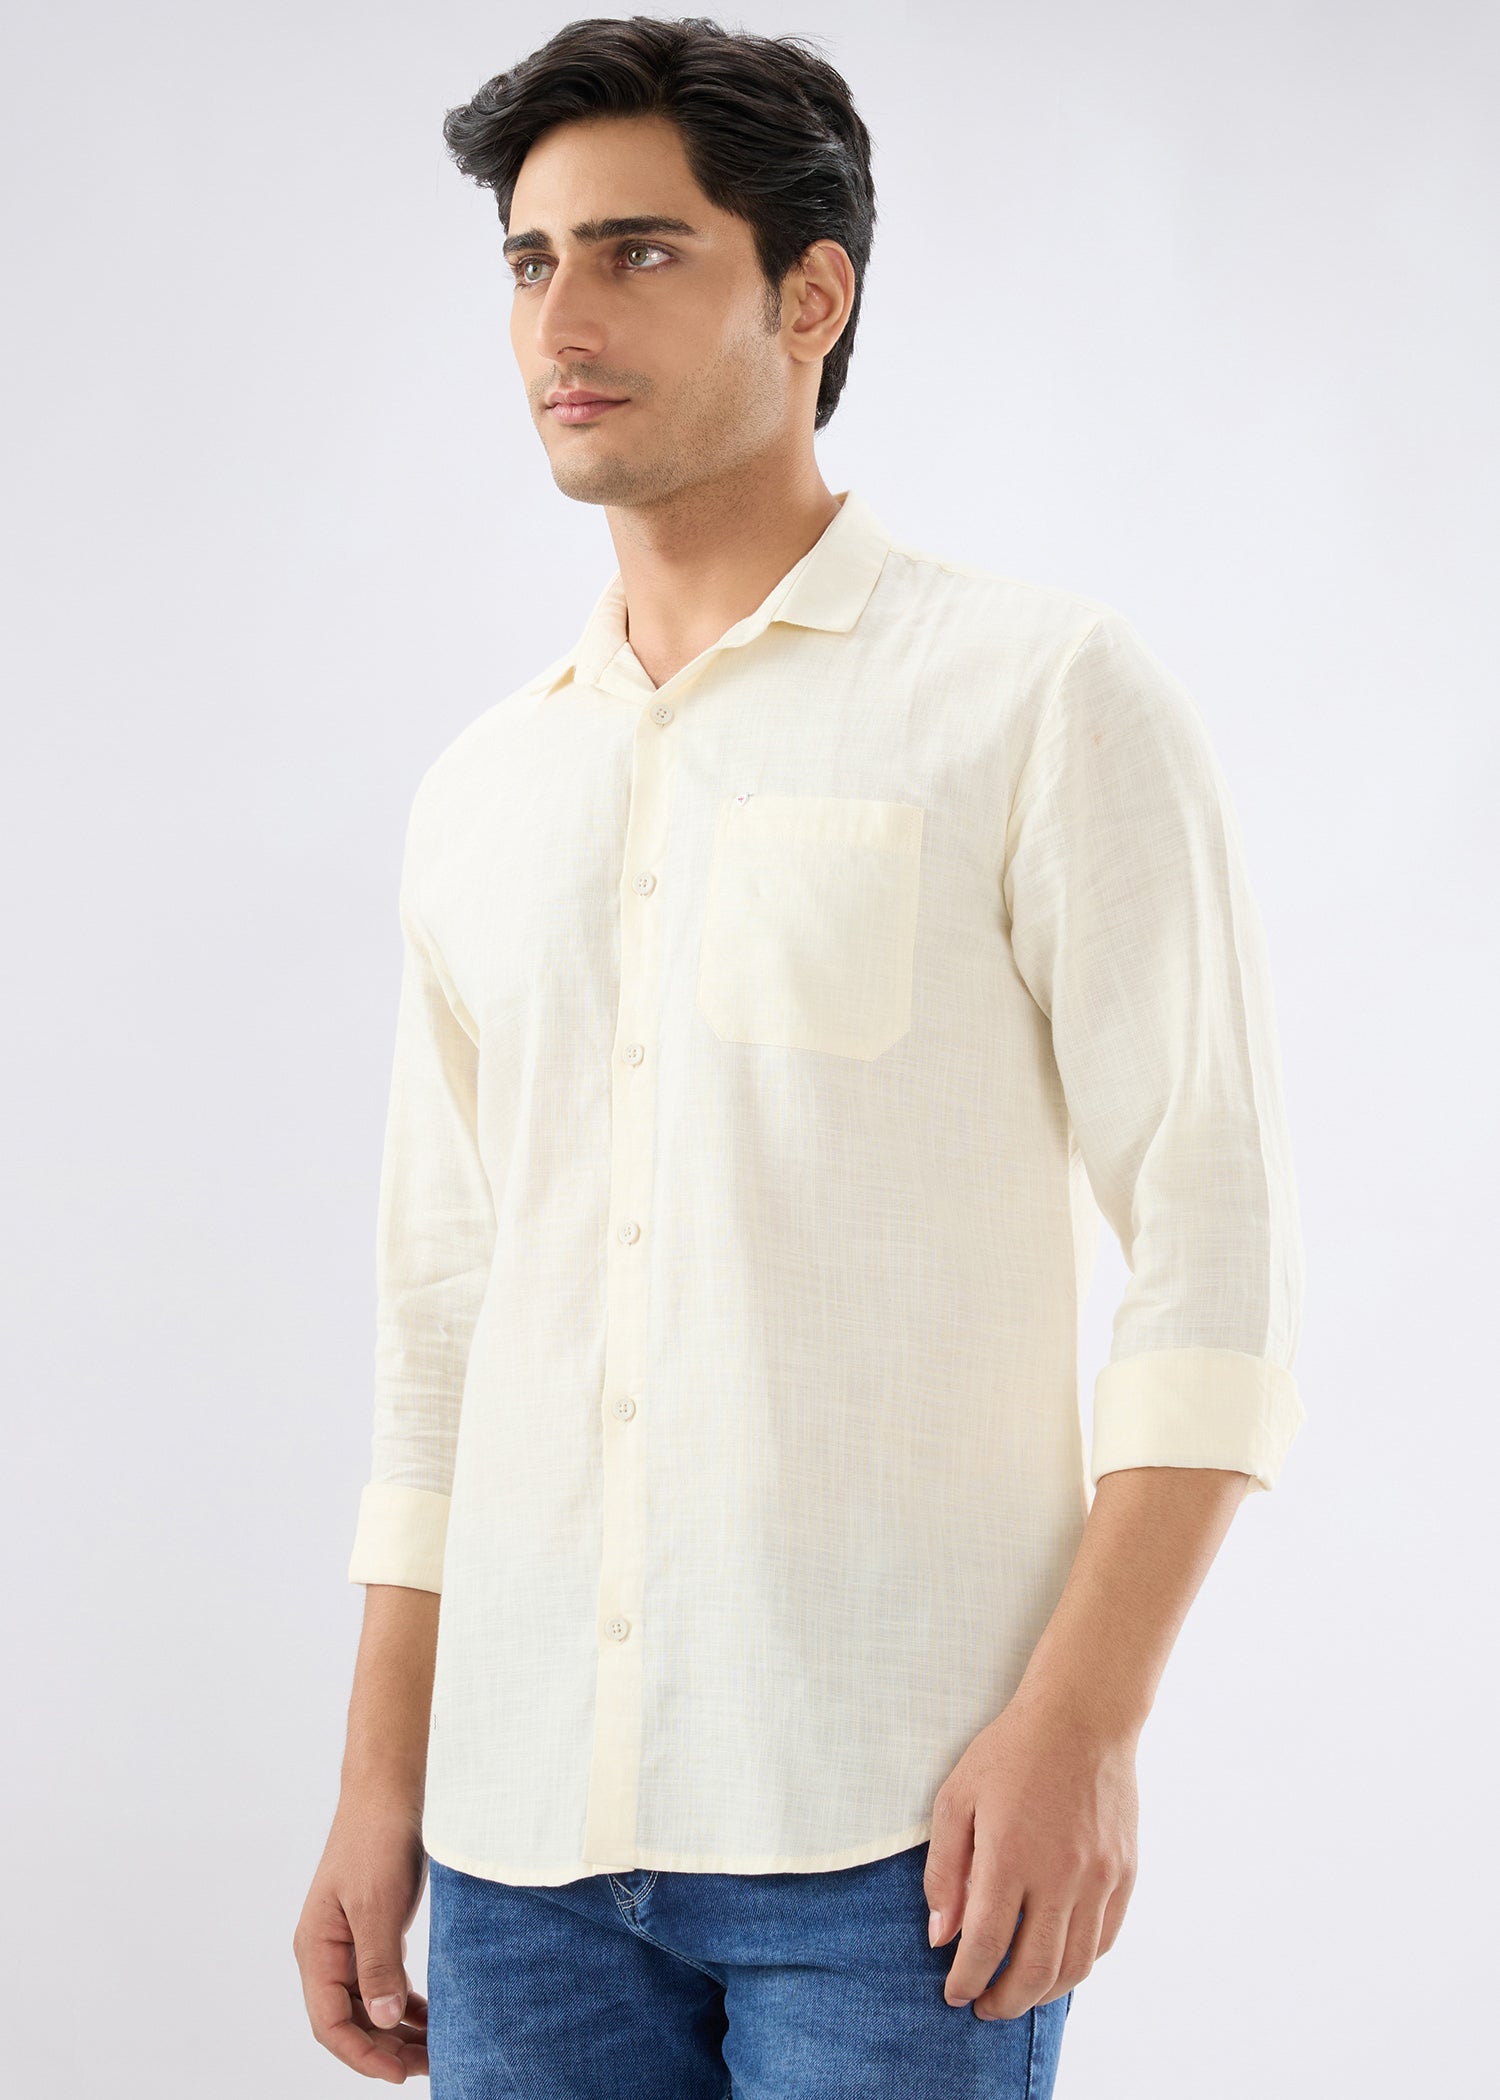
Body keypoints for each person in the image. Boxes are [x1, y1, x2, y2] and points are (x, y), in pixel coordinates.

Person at [293, 16, 1307, 2096]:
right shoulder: (483, 793)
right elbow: (441, 1322)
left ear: (811, 294)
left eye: (639, 251)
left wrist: (1087, 1725)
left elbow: (1216, 1252)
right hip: (515, 1850)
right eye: (530, 260)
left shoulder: (1037, 695)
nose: (562, 319)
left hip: (901, 1829)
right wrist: (381, 1783)